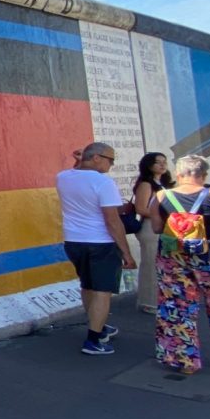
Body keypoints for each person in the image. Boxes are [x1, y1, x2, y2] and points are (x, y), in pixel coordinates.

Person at [57, 142, 136, 355]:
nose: (111, 164)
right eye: (110, 160)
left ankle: (97, 325)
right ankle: (94, 340)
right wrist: (127, 253)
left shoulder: (63, 177)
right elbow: (112, 220)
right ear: (97, 158)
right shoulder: (103, 183)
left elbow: (77, 177)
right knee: (103, 291)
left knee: (88, 286)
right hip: (101, 243)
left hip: (74, 241)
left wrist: (78, 160)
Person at [147, 154, 210, 374]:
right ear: (204, 174)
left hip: (172, 257)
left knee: (177, 307)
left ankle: (184, 362)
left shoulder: (160, 196)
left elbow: (157, 228)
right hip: (209, 255)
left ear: (178, 174)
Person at [131, 152, 174, 313]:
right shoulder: (146, 184)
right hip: (149, 228)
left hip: (163, 227)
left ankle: (162, 299)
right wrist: (163, 215)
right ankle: (149, 302)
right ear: (149, 165)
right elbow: (141, 208)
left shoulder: (162, 183)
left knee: (163, 265)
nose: (163, 165)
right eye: (158, 162)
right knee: (150, 264)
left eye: (165, 162)